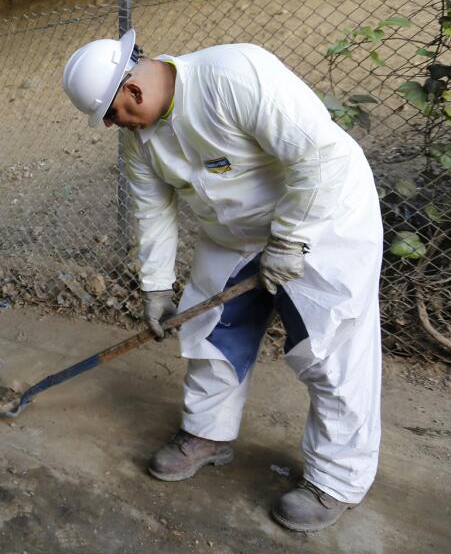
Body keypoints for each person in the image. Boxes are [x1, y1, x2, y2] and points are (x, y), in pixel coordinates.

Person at [62, 34, 382, 533]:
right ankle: (208, 435)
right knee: (212, 329)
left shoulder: (234, 75)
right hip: (235, 232)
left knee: (331, 349)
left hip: (322, 215)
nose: (110, 125)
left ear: (135, 91)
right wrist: (156, 289)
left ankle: (336, 479)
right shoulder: (139, 139)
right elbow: (154, 212)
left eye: (111, 112)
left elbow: (319, 157)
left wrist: (291, 240)